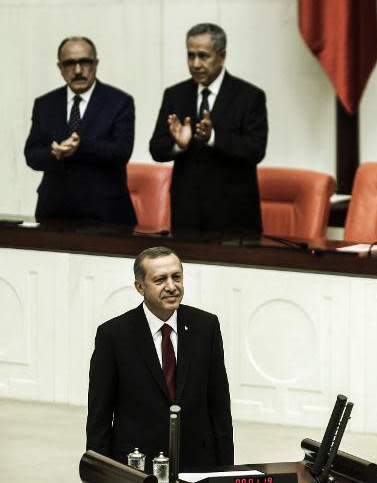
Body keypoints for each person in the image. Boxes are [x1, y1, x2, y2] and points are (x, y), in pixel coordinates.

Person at [86, 246, 234, 469]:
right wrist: (99, 474)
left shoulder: (206, 327)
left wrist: (226, 471)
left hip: (197, 463)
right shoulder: (113, 336)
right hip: (137, 466)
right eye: (160, 280)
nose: (171, 287)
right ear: (139, 286)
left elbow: (219, 407)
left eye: (177, 277)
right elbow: (100, 417)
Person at [149, 23, 268, 232]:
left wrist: (212, 137)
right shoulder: (175, 94)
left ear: (221, 56)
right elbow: (156, 148)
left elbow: (255, 150)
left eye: (203, 56)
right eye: (190, 55)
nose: (195, 63)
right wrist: (179, 145)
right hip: (187, 214)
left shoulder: (249, 97)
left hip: (234, 216)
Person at [24, 36, 136, 225]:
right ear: (60, 68)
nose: (78, 70)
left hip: (105, 214)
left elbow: (121, 152)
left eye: (84, 62)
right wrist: (54, 152)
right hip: (54, 211)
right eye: (70, 63)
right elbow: (32, 155)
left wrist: (80, 147)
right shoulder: (45, 104)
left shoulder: (119, 102)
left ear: (96, 63)